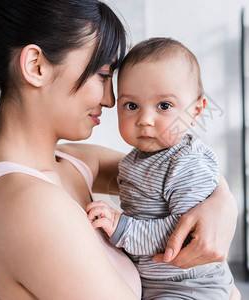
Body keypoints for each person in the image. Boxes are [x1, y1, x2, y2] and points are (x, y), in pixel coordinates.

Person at [0, 0, 238, 299]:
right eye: (103, 75)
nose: (110, 100)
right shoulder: (29, 203)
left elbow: (176, 168)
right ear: (36, 66)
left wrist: (223, 205)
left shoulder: (75, 161)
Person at [87, 37, 238, 299]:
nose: (144, 120)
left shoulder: (186, 161)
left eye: (164, 106)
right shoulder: (134, 160)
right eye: (131, 106)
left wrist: (122, 227)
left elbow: (186, 232)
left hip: (189, 285)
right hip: (156, 281)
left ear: (196, 110)